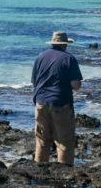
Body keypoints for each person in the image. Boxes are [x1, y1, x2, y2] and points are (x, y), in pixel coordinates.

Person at [31, 31, 83, 165]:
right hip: (61, 103)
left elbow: (34, 83)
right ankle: (65, 174)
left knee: (42, 141)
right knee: (64, 142)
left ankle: (39, 172)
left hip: (41, 102)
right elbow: (76, 85)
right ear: (65, 44)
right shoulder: (69, 58)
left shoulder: (40, 57)